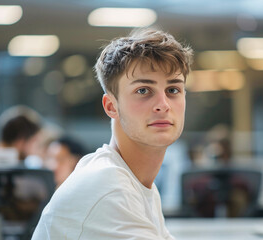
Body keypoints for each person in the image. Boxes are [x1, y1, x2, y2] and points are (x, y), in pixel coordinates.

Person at [32, 29, 193, 239]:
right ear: (111, 106)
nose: (163, 105)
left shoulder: (135, 183)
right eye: (143, 90)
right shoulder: (109, 189)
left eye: (173, 90)